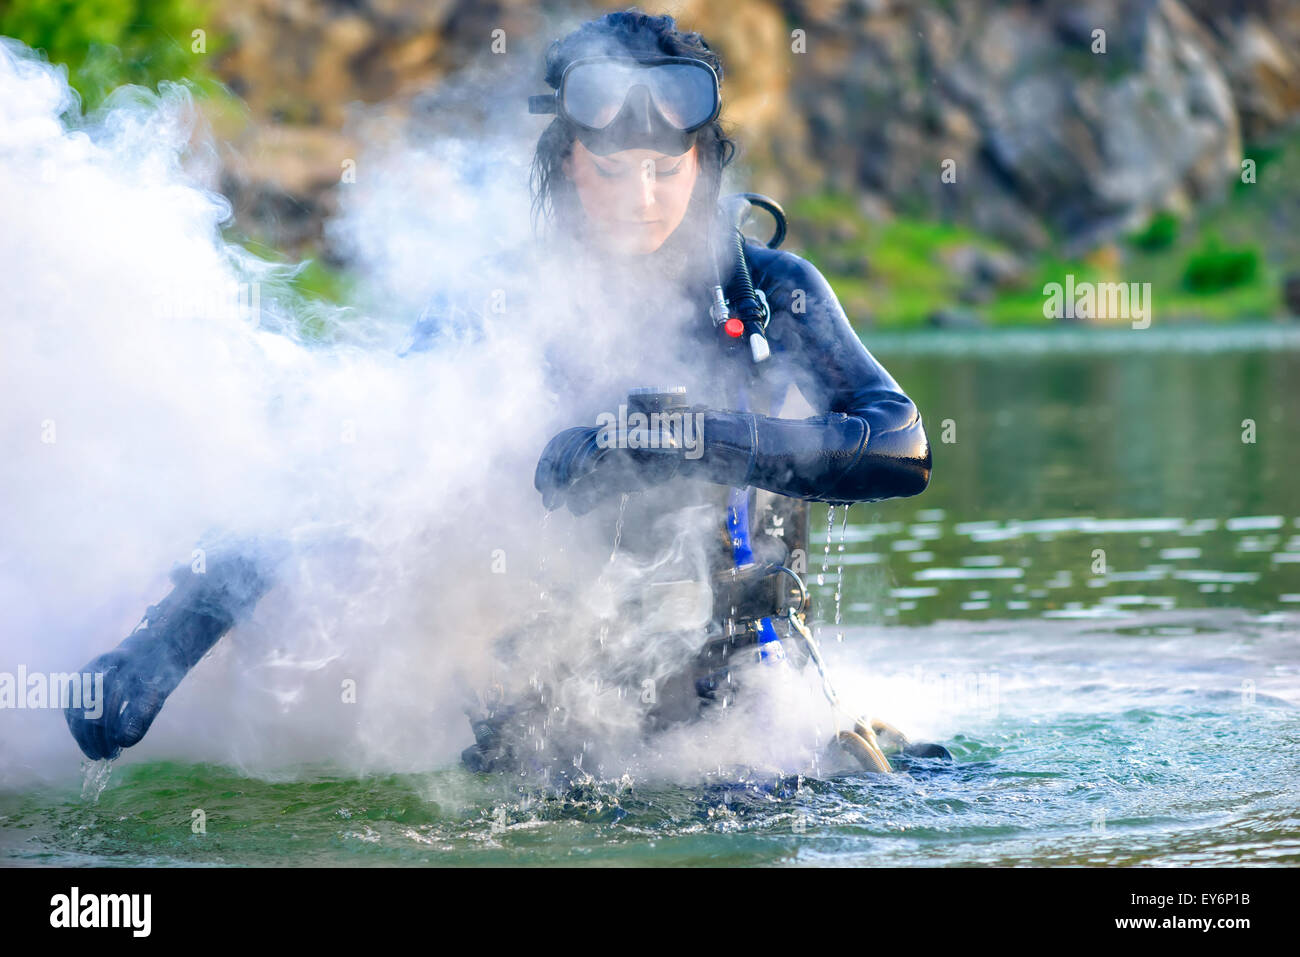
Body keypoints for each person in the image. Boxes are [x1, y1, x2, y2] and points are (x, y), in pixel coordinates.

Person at [65, 10, 934, 774]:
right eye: (613, 166)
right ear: (565, 163)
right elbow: (337, 471)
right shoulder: (495, 303)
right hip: (551, 715)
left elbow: (901, 446)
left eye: (665, 170)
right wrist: (165, 643)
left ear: (703, 164)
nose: (642, 196)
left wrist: (694, 437)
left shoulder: (767, 291)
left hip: (740, 711)